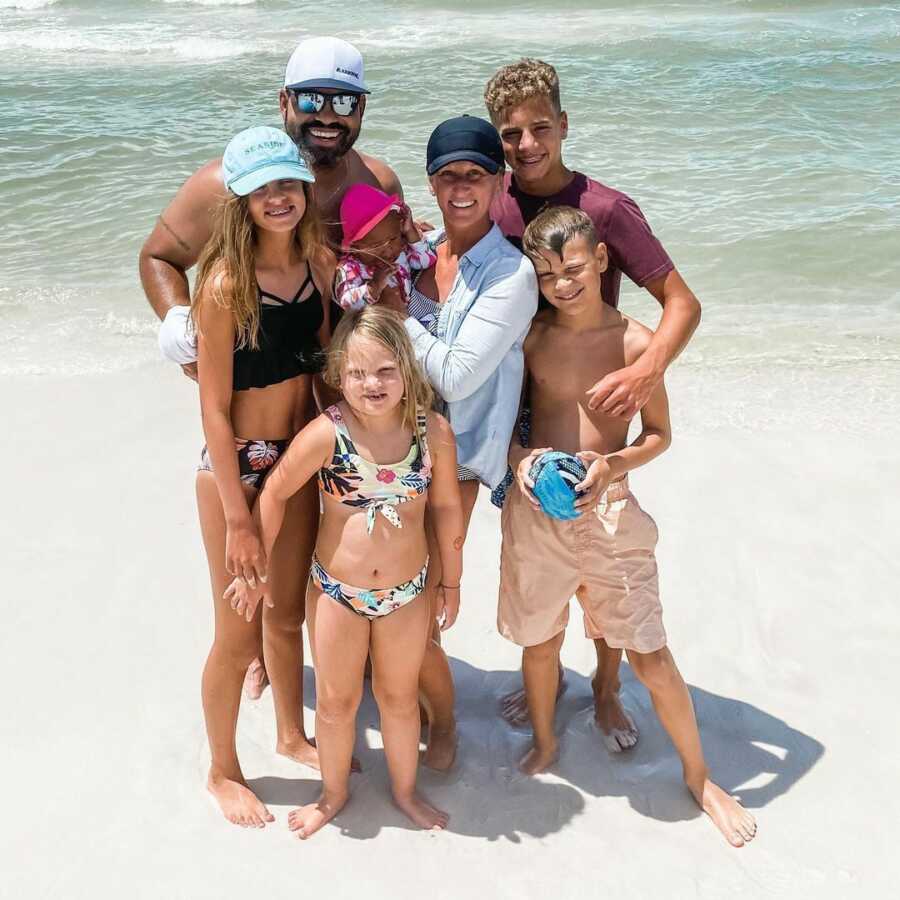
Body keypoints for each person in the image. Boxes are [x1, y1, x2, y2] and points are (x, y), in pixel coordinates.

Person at [141, 35, 401, 700]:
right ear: (286, 101)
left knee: (329, 549)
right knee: (247, 549)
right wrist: (179, 324)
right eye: (312, 97)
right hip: (251, 407)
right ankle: (251, 653)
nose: (327, 113)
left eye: (343, 100)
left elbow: (388, 279)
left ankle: (344, 651)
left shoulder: (378, 184)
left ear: (361, 108)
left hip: (339, 409)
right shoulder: (224, 181)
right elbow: (160, 257)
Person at [500, 205, 756, 848]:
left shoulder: (639, 344)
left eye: (576, 268)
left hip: (612, 510)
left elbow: (661, 436)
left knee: (648, 649)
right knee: (538, 639)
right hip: (536, 511)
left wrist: (613, 464)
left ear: (603, 261)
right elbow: (501, 432)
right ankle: (548, 738)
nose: (563, 283)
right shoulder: (530, 340)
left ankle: (701, 778)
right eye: (549, 272)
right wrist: (525, 462)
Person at [484, 58, 703, 746]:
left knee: (604, 575)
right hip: (525, 407)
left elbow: (682, 303)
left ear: (563, 126)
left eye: (539, 128)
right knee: (540, 572)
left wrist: (646, 375)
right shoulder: (494, 203)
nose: (526, 144)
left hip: (600, 409)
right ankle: (543, 676)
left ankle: (607, 688)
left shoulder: (605, 210)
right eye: (510, 133)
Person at [225, 306, 464, 838]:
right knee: (335, 704)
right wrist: (256, 567)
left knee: (400, 700)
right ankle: (332, 794)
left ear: (406, 368)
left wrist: (451, 580)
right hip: (336, 592)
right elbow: (276, 492)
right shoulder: (327, 434)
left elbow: (447, 508)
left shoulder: (433, 434)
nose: (371, 383)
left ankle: (404, 792)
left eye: (384, 370)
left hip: (407, 592)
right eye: (356, 373)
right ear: (338, 377)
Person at [377, 115, 539, 770]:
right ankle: (401, 695)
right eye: (448, 176)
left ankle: (442, 720)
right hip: (391, 446)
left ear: (500, 183)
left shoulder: (511, 275)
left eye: (475, 174)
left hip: (459, 462)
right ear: (432, 184)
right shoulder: (418, 255)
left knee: (425, 597)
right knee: (391, 585)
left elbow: (454, 373)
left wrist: (391, 309)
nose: (461, 188)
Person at [191, 127, 334, 826]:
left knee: (286, 610)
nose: (279, 198)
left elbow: (324, 372)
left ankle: (288, 733)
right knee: (237, 630)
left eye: (288, 184)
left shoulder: (320, 266)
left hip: (299, 455)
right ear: (241, 200)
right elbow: (213, 411)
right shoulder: (224, 285)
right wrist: (239, 516)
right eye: (264, 188)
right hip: (239, 466)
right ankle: (222, 770)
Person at [335, 184, 437, 312]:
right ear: (353, 247)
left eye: (393, 239)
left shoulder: (400, 249)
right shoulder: (352, 267)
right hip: (378, 326)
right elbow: (346, 303)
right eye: (376, 246)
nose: (389, 251)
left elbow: (425, 261)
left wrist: (410, 231)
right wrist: (373, 287)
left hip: (408, 313)